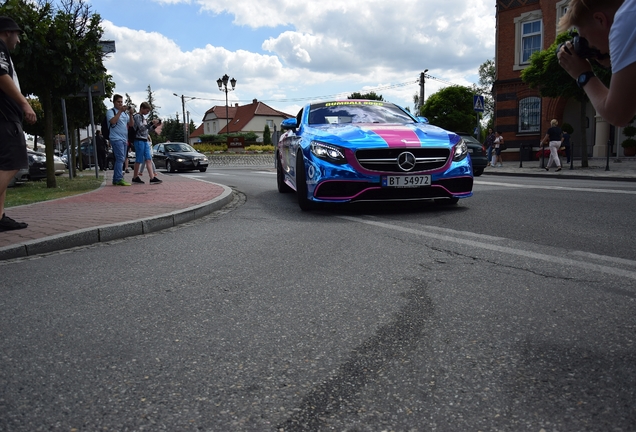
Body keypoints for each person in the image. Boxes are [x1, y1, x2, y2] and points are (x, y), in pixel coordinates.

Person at [557, 0, 636, 127]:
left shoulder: (625, 20)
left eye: (585, 37)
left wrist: (583, 74)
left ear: (600, 19)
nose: (591, 46)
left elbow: (617, 115)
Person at [0, 16, 37, 232]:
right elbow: (1, 75)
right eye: (17, 35)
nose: (19, 40)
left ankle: (0, 216)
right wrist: (24, 103)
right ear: (7, 32)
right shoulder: (0, 48)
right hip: (5, 117)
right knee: (13, 162)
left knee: (3, 166)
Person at [131, 102, 162, 184]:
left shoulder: (143, 118)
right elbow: (141, 128)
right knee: (139, 159)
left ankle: (152, 177)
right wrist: (151, 123)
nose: (147, 113)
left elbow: (147, 130)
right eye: (147, 111)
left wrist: (155, 126)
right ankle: (135, 176)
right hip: (139, 139)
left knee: (148, 159)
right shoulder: (137, 116)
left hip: (145, 140)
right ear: (142, 108)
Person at [106, 94, 133, 186]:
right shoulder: (111, 112)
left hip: (124, 139)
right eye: (118, 102)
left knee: (122, 158)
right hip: (115, 138)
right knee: (120, 158)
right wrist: (120, 112)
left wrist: (131, 114)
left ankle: (116, 179)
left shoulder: (125, 114)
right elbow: (113, 121)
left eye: (121, 102)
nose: (120, 104)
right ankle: (118, 178)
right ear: (114, 102)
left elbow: (131, 124)